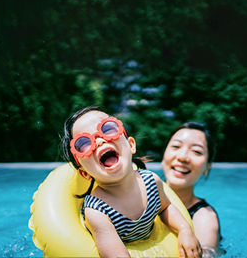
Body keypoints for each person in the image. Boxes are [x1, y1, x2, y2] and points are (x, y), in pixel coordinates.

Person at [62, 106, 202, 258]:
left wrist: (184, 230)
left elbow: (166, 208)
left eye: (107, 128)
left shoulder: (151, 182)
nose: (101, 141)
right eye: (84, 143)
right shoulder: (96, 210)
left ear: (131, 145)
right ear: (85, 173)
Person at [162, 122, 222, 257]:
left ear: (207, 167)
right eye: (176, 146)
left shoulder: (204, 218)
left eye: (196, 151)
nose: (182, 157)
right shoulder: (137, 193)